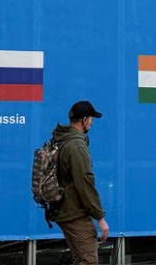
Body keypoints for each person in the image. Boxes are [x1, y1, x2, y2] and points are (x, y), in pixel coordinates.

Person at [52, 100, 110, 265]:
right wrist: (100, 217)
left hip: (64, 209)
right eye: (91, 118)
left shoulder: (63, 138)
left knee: (80, 259)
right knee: (88, 260)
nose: (92, 122)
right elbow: (84, 183)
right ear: (84, 120)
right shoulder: (76, 146)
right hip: (73, 212)